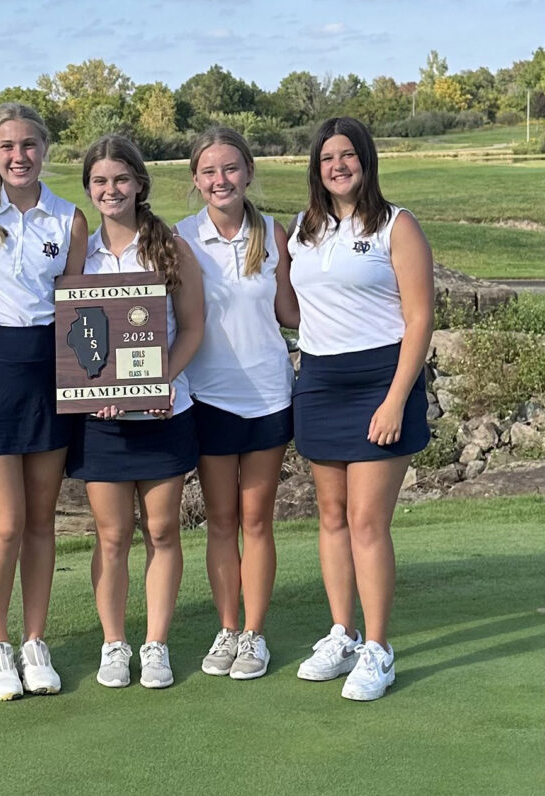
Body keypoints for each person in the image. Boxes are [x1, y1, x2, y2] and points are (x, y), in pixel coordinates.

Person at [288, 116, 433, 701]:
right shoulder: (303, 228)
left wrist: (396, 399)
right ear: (316, 169)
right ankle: (341, 634)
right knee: (331, 517)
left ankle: (378, 649)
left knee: (367, 522)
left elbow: (419, 319)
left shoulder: (398, 225)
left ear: (366, 161)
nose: (337, 166)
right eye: (327, 159)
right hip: (319, 378)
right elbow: (295, 307)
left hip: (380, 381)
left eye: (347, 155)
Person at [0, 103, 88, 700]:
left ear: (45, 149)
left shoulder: (70, 218)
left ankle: (35, 641)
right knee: (4, 525)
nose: (18, 155)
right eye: (6, 146)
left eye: (29, 144)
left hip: (51, 367)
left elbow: (80, 306)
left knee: (40, 522)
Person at [69, 135, 204, 689]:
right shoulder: (81, 251)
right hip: (100, 419)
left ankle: (155, 645)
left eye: (121, 179)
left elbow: (192, 327)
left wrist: (158, 381)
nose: (110, 190)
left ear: (140, 184)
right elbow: (74, 330)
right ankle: (114, 644)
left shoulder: (170, 246)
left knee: (164, 530)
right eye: (100, 181)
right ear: (89, 189)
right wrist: (93, 387)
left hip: (165, 412)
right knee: (111, 535)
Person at [174, 128, 298, 681]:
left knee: (257, 520)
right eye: (208, 171)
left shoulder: (274, 233)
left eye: (229, 169)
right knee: (221, 521)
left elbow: (292, 311)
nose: (219, 180)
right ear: (196, 179)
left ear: (248, 172)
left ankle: (255, 634)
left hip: (269, 394)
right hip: (207, 396)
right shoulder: (179, 238)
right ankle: (227, 628)